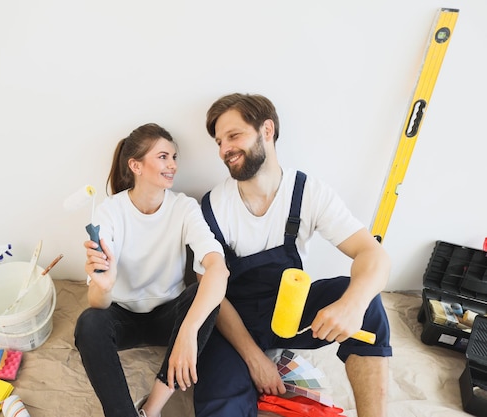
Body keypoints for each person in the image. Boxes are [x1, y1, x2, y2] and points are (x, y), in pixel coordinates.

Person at [193, 93, 392, 417]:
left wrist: (353, 305)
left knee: (368, 301)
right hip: (230, 319)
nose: (223, 149)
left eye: (233, 135)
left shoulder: (309, 193)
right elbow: (208, 289)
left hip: (289, 311)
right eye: (219, 142)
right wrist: (255, 360)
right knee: (220, 405)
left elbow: (373, 254)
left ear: (266, 130)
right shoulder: (213, 206)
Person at [74, 123, 229, 417]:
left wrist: (187, 333)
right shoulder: (109, 211)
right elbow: (98, 304)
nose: (172, 165)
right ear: (136, 165)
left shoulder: (185, 208)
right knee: (89, 322)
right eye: (163, 157)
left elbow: (218, 270)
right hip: (122, 317)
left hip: (167, 317)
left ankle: (151, 409)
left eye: (174, 157)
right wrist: (104, 286)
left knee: (204, 294)